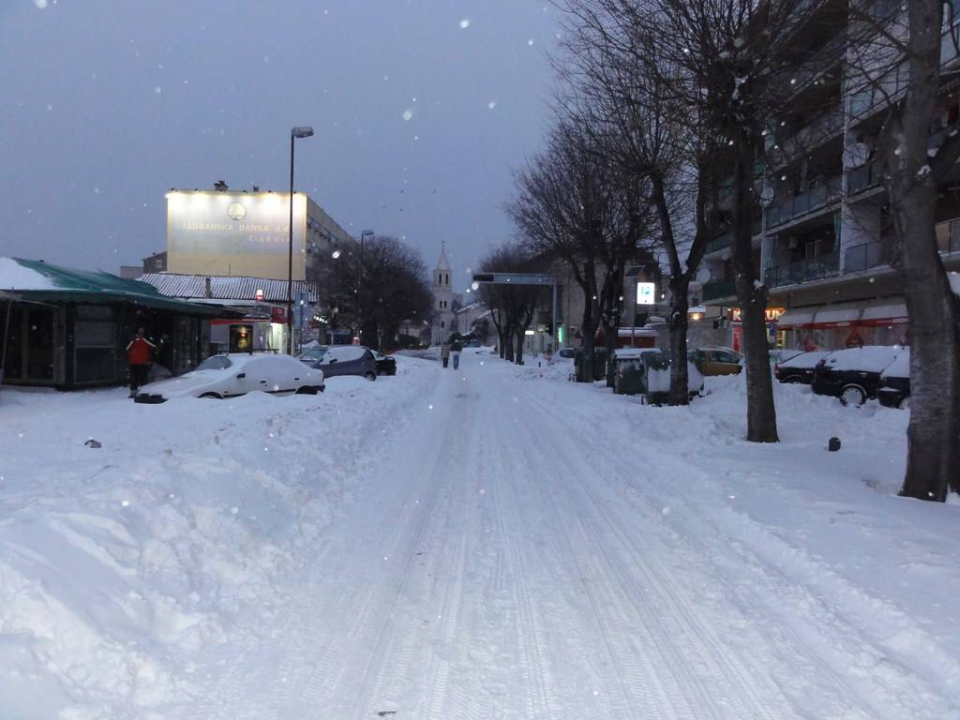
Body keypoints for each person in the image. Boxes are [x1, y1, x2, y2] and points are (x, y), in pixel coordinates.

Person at [126, 327, 156, 398]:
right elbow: (127, 348)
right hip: (134, 363)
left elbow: (152, 346)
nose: (141, 333)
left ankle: (144, 392)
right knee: (133, 379)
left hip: (143, 363)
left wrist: (143, 339)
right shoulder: (133, 340)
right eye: (140, 331)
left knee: (143, 379)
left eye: (142, 331)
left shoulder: (145, 340)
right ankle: (133, 393)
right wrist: (133, 340)